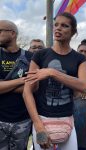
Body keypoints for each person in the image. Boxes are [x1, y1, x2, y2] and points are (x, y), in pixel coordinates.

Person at [23, 12, 86, 150]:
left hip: (67, 120)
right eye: (56, 25)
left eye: (64, 26)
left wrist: (52, 72)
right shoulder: (40, 55)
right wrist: (38, 127)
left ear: (73, 32)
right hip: (41, 119)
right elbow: (27, 92)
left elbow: (83, 86)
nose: (58, 28)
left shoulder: (79, 59)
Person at [0, 20, 32, 149]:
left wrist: (4, 85)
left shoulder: (30, 57)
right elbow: (27, 84)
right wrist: (22, 80)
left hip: (22, 120)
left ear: (12, 33)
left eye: (0, 31)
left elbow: (33, 87)